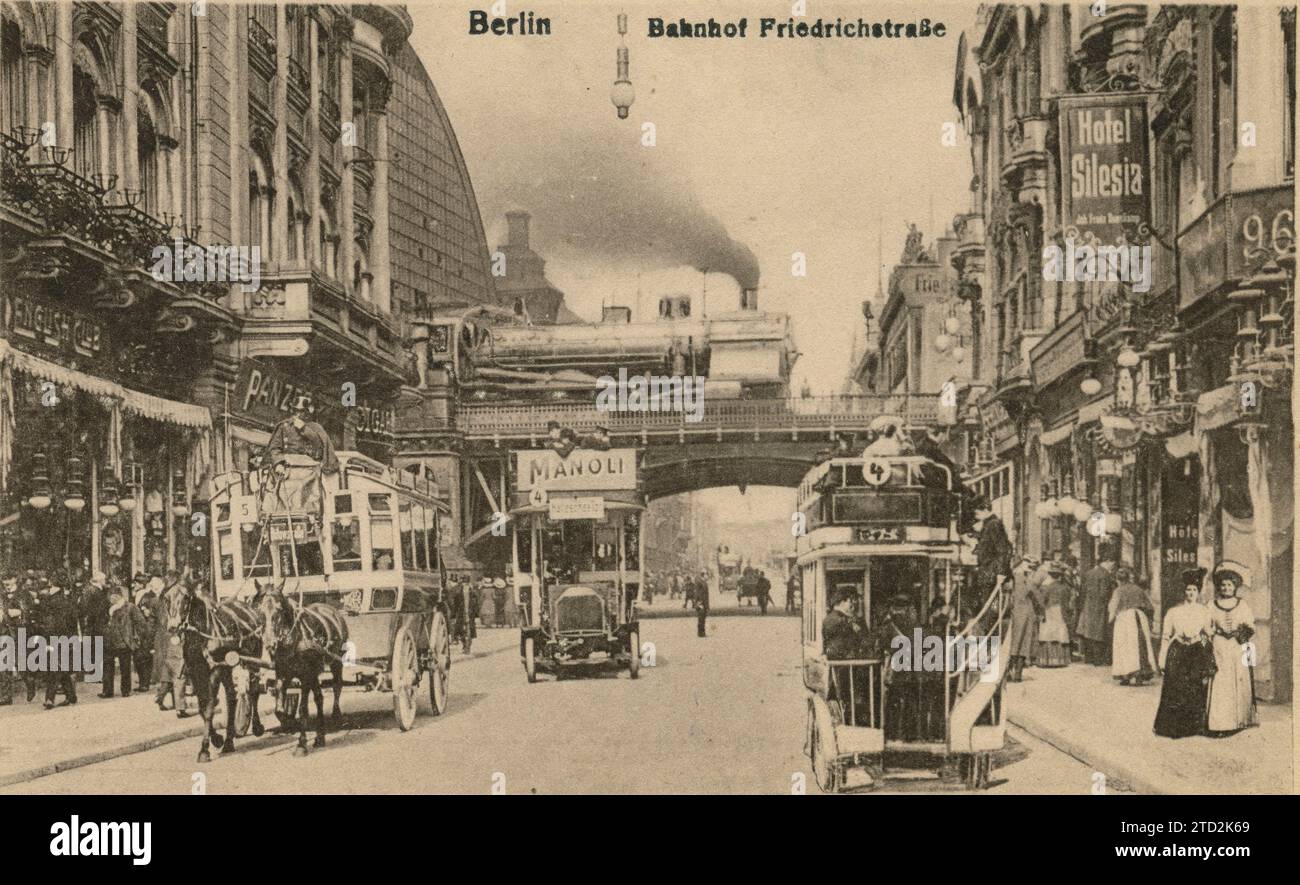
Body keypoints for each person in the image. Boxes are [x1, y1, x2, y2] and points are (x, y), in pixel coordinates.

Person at [1153, 568, 1215, 738]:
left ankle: (1193, 727)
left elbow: (1208, 634)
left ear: (1198, 592)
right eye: (1188, 590)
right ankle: (1174, 728)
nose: (1191, 593)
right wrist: (1162, 660)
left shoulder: (1204, 611)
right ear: (1184, 592)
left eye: (1194, 590)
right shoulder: (1173, 612)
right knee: (1175, 689)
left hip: (1195, 652)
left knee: (1194, 688)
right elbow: (1166, 637)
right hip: (1177, 651)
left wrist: (1209, 653)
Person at [1205, 562, 1258, 735]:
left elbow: (1250, 625)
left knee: (1237, 681)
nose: (1226, 588)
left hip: (1236, 648)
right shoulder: (1211, 605)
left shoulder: (1242, 605)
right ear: (1219, 587)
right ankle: (1220, 723)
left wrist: (1239, 633)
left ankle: (1238, 721)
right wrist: (1214, 633)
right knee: (1221, 683)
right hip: (1219, 647)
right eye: (1223, 585)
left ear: (1235, 587)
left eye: (1230, 585)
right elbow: (1206, 625)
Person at [1108, 565, 1156, 686]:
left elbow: (1112, 608)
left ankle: (1126, 676)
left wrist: (1110, 620)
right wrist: (1149, 620)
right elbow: (1150, 607)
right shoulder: (1138, 589)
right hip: (1139, 617)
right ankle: (1140, 674)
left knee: (1124, 647)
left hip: (1124, 619)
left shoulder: (1118, 591)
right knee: (1140, 645)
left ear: (1118, 580)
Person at [968, 496, 1012, 621]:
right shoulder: (989, 525)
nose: (976, 516)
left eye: (977, 512)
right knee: (986, 607)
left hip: (991, 574)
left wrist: (1000, 573)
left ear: (986, 509)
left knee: (990, 609)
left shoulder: (993, 524)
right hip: (987, 574)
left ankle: (990, 636)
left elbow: (1003, 550)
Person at [265, 400, 339, 473]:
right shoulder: (284, 426)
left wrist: (304, 429)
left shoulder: (315, 428)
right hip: (287, 466)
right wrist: (278, 464)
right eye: (296, 411)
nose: (298, 414)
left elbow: (320, 446)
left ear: (307, 412)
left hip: (309, 468)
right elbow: (274, 448)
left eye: (302, 411)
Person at [101, 586, 148, 698]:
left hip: (124, 642)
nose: (111, 599)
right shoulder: (108, 607)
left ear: (118, 596)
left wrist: (136, 638)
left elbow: (141, 623)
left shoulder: (130, 607)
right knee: (107, 666)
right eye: (110, 596)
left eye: (113, 596)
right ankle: (107, 691)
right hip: (109, 641)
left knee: (125, 667)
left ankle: (125, 690)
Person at [40, 580, 80, 708]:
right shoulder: (68, 600)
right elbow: (73, 621)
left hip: (55, 638)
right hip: (67, 637)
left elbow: (49, 624)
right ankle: (71, 696)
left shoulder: (50, 602)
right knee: (62, 668)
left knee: (54, 667)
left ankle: (49, 699)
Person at [1006, 557, 1044, 681]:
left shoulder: (1012, 579)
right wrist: (1042, 609)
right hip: (1025, 614)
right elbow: (1038, 597)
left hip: (1013, 614)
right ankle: (1017, 674)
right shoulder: (1026, 579)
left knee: (1012, 643)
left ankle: (1008, 673)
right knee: (1023, 644)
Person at [1076, 554, 1117, 666]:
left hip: (1088, 606)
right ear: (1107, 561)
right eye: (1112, 564)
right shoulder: (1105, 575)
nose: (1113, 567)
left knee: (1089, 632)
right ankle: (1099, 660)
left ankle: (1089, 658)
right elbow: (1105, 594)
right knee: (1100, 633)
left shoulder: (1088, 573)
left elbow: (1082, 591)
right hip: (1101, 608)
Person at [1034, 562, 1072, 668]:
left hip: (1050, 611)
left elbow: (1042, 601)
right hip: (1061, 612)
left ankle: (1048, 660)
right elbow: (1068, 601)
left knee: (1048, 634)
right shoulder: (1066, 587)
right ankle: (1060, 660)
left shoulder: (1047, 587)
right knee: (1060, 634)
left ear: (1051, 575)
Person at [131, 573, 156, 691]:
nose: (133, 585)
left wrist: (148, 632)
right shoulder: (137, 595)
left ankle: (145, 683)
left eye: (136, 583)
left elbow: (149, 616)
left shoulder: (147, 597)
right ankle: (143, 682)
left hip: (144, 631)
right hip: (138, 631)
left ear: (141, 585)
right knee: (139, 657)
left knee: (144, 657)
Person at [693, 571, 709, 638]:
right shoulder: (700, 583)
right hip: (701, 603)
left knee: (703, 618)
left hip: (704, 603)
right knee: (701, 618)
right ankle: (700, 633)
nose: (707, 576)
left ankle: (703, 632)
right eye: (706, 575)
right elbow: (698, 593)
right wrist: (699, 603)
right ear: (704, 575)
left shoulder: (704, 582)